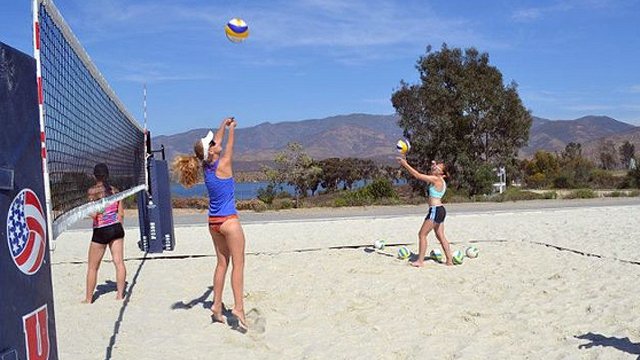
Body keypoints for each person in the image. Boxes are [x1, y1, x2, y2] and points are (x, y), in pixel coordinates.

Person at [173, 117, 247, 330]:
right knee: (238, 265)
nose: (215, 142)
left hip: (213, 223)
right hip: (229, 222)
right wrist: (232, 130)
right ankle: (238, 307)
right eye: (212, 143)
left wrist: (222, 125)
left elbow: (215, 145)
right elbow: (229, 146)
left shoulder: (206, 166)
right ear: (212, 152)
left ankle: (216, 306)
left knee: (222, 264)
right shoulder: (223, 163)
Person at [397, 157, 454, 267]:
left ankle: (420, 261)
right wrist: (433, 165)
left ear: (443, 174)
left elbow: (417, 175)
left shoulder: (436, 179)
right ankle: (449, 260)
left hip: (435, 210)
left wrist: (405, 164)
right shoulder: (440, 180)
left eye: (438, 168)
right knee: (441, 236)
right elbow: (431, 172)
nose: (435, 168)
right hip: (441, 210)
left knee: (422, 234)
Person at [85, 163, 126, 303]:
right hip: (116, 228)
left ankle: (89, 299)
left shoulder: (92, 191)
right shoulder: (116, 190)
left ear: (94, 175)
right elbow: (121, 214)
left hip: (101, 229)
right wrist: (117, 227)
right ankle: (120, 295)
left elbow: (94, 214)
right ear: (108, 175)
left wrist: (90, 212)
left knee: (92, 267)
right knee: (119, 262)